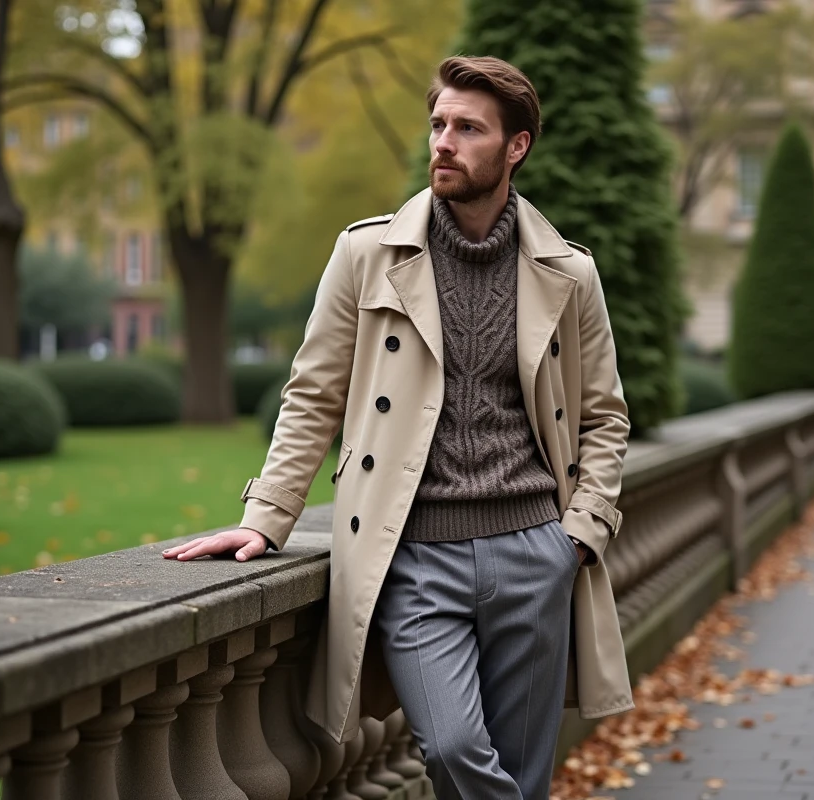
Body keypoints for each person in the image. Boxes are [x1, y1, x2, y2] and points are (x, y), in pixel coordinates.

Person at [163, 55, 632, 800]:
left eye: (468, 128)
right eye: (438, 124)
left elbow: (605, 416)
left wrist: (577, 536)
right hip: (415, 556)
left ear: (516, 147)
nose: (443, 142)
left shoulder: (568, 273)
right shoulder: (367, 253)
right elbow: (314, 393)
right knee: (449, 750)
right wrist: (268, 516)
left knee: (522, 772)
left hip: (534, 553)